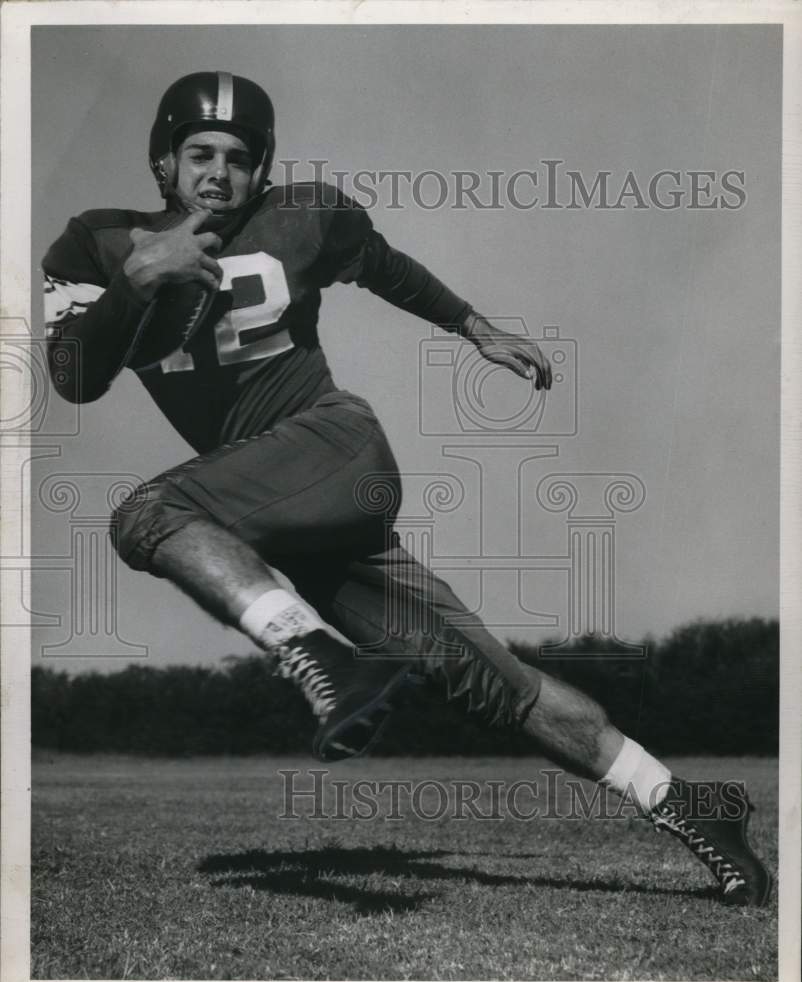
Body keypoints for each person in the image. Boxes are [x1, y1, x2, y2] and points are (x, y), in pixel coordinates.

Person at [43, 70, 771, 906]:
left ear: (264, 169)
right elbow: (72, 381)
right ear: (162, 163)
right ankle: (693, 806)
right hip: (272, 516)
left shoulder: (303, 217)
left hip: (335, 450)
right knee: (499, 687)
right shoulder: (94, 245)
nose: (219, 173)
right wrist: (137, 281)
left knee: (148, 513)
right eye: (199, 153)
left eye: (239, 158)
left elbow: (384, 266)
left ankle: (317, 655)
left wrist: (476, 328)